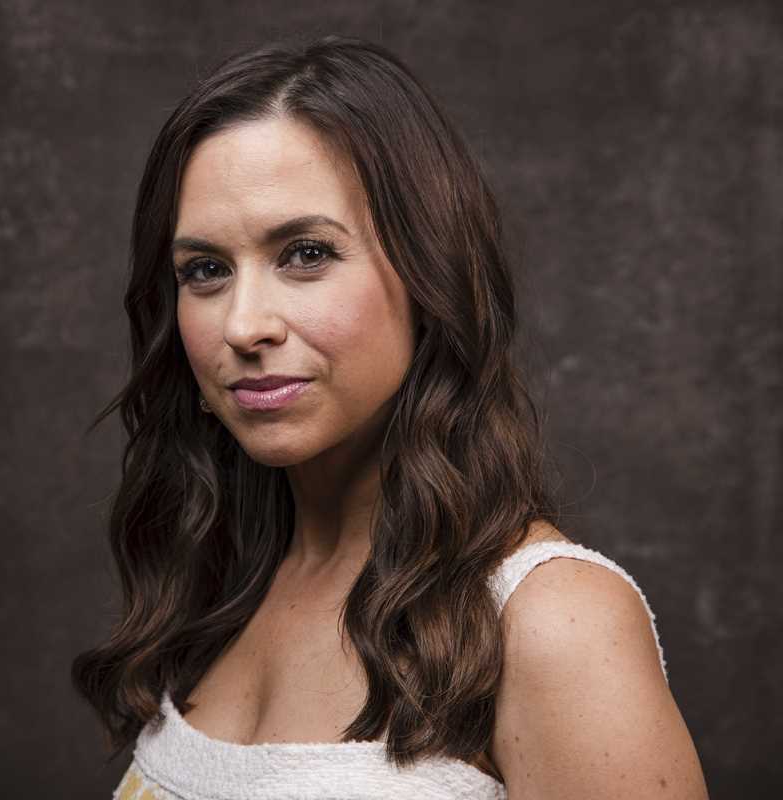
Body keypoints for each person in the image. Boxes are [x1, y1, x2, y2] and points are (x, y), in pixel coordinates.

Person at [71, 34, 708, 799]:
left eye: (306, 253)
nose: (243, 326)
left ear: (428, 272)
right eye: (205, 270)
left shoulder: (552, 623)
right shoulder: (219, 579)